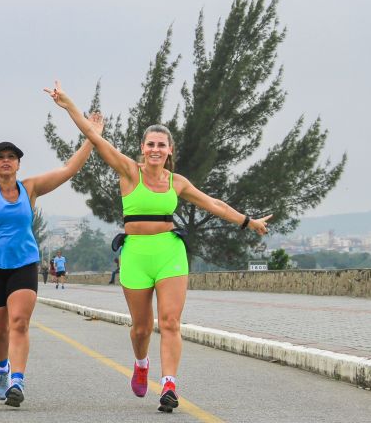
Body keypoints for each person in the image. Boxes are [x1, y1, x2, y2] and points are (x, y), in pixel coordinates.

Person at [45, 81, 271, 413]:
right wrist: (69, 106)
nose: (155, 149)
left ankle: (168, 385)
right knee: (140, 328)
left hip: (169, 251)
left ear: (169, 151)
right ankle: (140, 363)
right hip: (135, 253)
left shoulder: (177, 183)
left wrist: (248, 221)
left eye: (161, 145)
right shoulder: (128, 171)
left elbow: (215, 205)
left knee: (169, 322)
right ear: (142, 148)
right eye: (150, 144)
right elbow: (95, 138)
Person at [0, 96, 102, 407]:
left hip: (24, 264)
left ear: (19, 163)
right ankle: (2, 370)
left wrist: (91, 138)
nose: (7, 161)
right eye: (1, 157)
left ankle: (17, 382)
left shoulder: (30, 188)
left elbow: (68, 170)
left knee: (19, 323)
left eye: (12, 157)